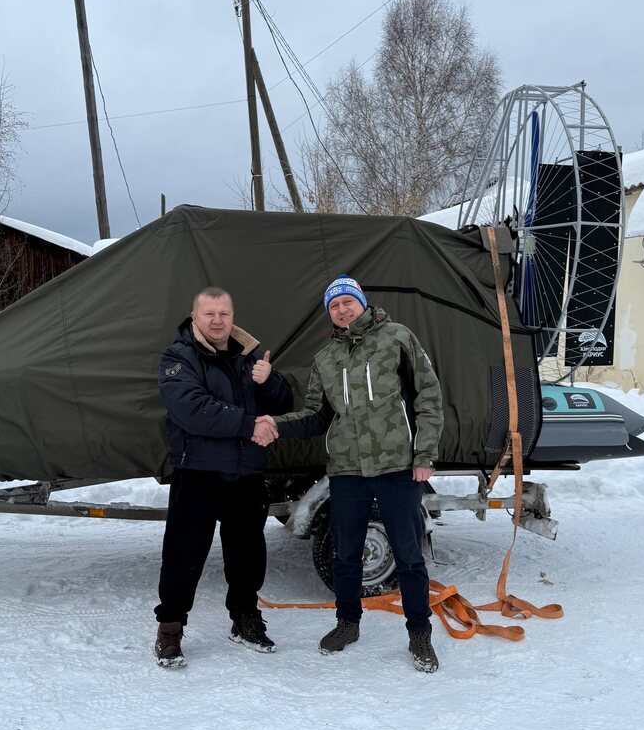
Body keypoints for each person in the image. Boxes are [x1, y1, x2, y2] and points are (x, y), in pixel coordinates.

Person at [254, 276, 444, 673]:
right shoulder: (326, 357)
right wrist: (276, 424)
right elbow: (316, 416)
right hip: (346, 469)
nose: (342, 310)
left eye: (347, 301)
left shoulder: (397, 337)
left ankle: (419, 632)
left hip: (396, 466)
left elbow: (428, 396)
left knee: (409, 556)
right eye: (334, 305)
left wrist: (424, 453)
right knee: (345, 554)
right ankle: (347, 623)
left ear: (361, 302)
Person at [154, 287, 292, 668]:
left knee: (248, 554)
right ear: (194, 317)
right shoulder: (178, 358)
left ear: (233, 317)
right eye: (209, 313)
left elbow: (284, 404)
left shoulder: (251, 357)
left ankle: (245, 618)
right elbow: (192, 409)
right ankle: (170, 628)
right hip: (198, 473)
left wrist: (270, 381)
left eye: (224, 314)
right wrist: (249, 426)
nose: (217, 321)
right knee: (184, 555)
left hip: (247, 474)